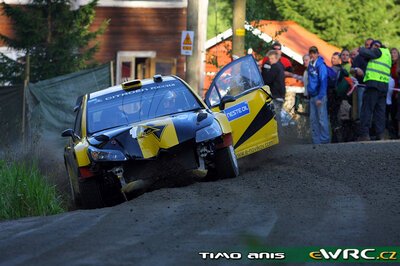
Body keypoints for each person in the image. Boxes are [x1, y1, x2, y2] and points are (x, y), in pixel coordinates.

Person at [357, 40, 391, 141]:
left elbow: (365, 53)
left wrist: (361, 49)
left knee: (367, 109)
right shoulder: (387, 55)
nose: (374, 48)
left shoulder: (379, 51)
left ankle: (364, 134)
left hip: (373, 85)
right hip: (384, 86)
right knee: (380, 112)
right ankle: (380, 134)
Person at [307, 46, 330, 144]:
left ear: (317, 54)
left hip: (319, 96)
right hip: (312, 96)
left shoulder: (321, 65)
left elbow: (323, 81)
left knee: (322, 118)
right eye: (310, 53)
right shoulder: (310, 65)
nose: (312, 55)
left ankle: (325, 140)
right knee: (313, 120)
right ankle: (316, 141)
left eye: (314, 53)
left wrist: (320, 97)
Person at [262, 49, 286, 126]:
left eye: (272, 59)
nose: (270, 61)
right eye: (269, 59)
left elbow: (268, 80)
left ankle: (279, 135)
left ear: (276, 58)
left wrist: (264, 72)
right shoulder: (280, 66)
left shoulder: (275, 67)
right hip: (280, 95)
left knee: (276, 119)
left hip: (276, 95)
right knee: (277, 117)